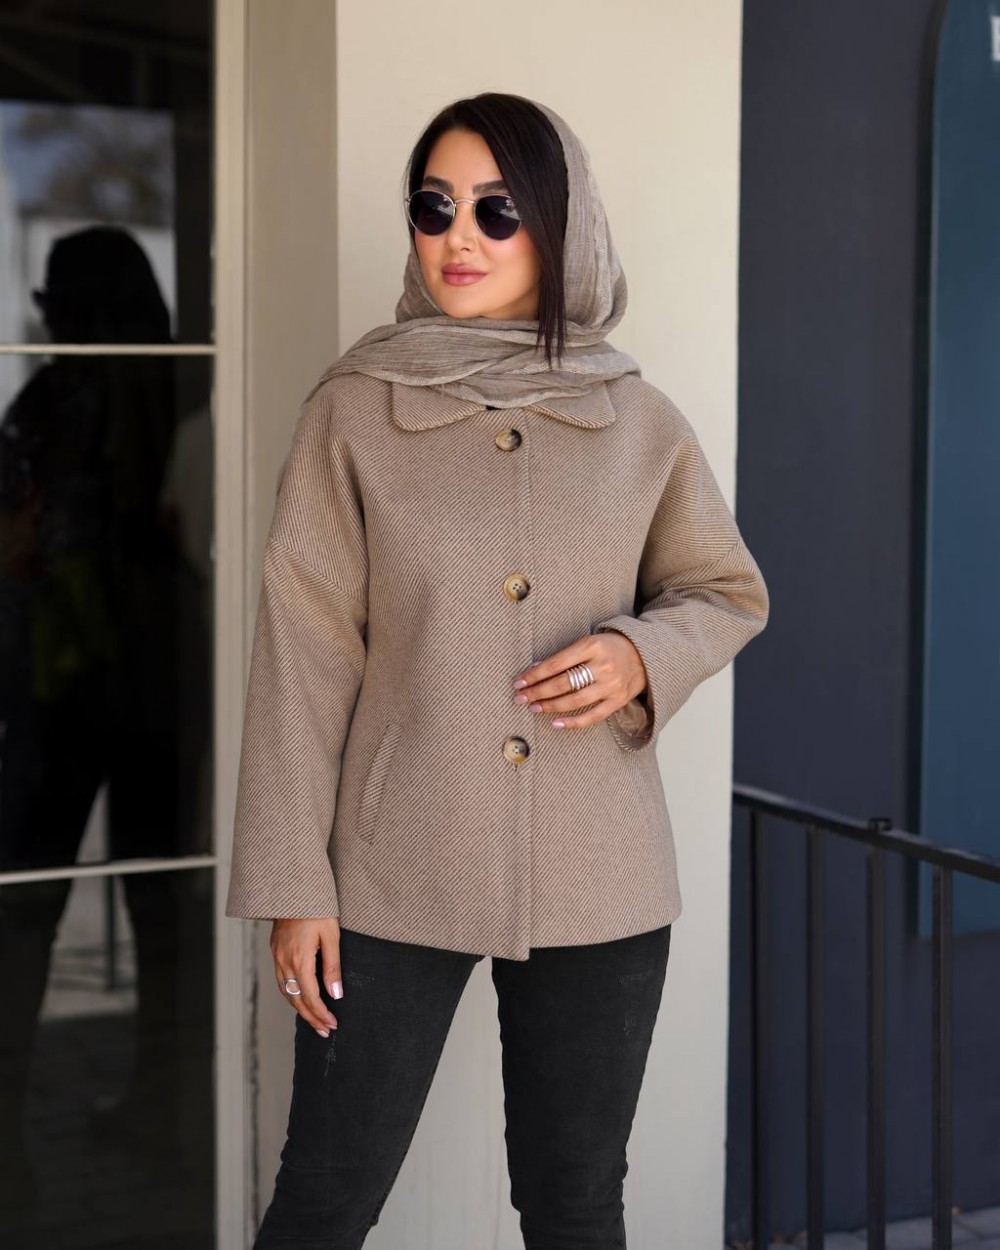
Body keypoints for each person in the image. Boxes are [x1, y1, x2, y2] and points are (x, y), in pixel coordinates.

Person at [226, 92, 770, 1249]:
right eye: (433, 208)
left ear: (561, 226)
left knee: (575, 1206)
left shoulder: (640, 421)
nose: (457, 237)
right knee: (322, 1200)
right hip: (386, 870)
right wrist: (294, 882)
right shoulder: (351, 414)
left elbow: (724, 590)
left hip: (599, 872)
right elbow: (303, 654)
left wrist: (639, 653)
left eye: (496, 210)